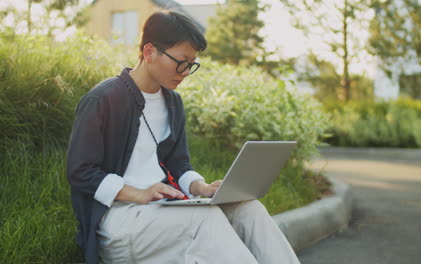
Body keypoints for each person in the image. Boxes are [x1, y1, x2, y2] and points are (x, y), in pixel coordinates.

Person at [67, 10, 300, 264]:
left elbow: (179, 164)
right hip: (120, 222)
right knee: (205, 220)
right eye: (181, 61)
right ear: (149, 52)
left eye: (191, 64)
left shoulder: (172, 102)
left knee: (247, 208)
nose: (186, 72)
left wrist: (202, 188)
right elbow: (80, 171)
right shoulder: (104, 99)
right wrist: (139, 193)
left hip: (165, 213)